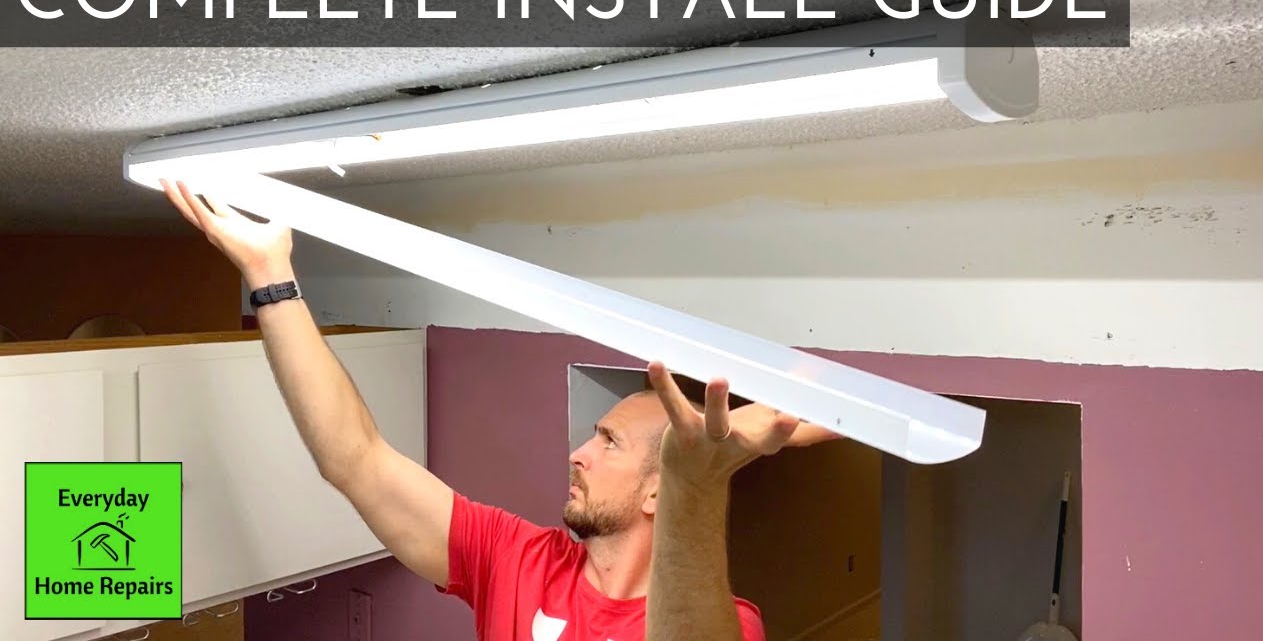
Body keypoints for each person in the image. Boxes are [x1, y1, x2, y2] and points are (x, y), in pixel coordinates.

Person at [160, 179, 842, 641]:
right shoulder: (513, 560)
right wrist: (269, 276)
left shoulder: (729, 622)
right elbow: (354, 458)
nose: (578, 454)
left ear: (659, 491)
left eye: (608, 442)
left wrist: (698, 484)